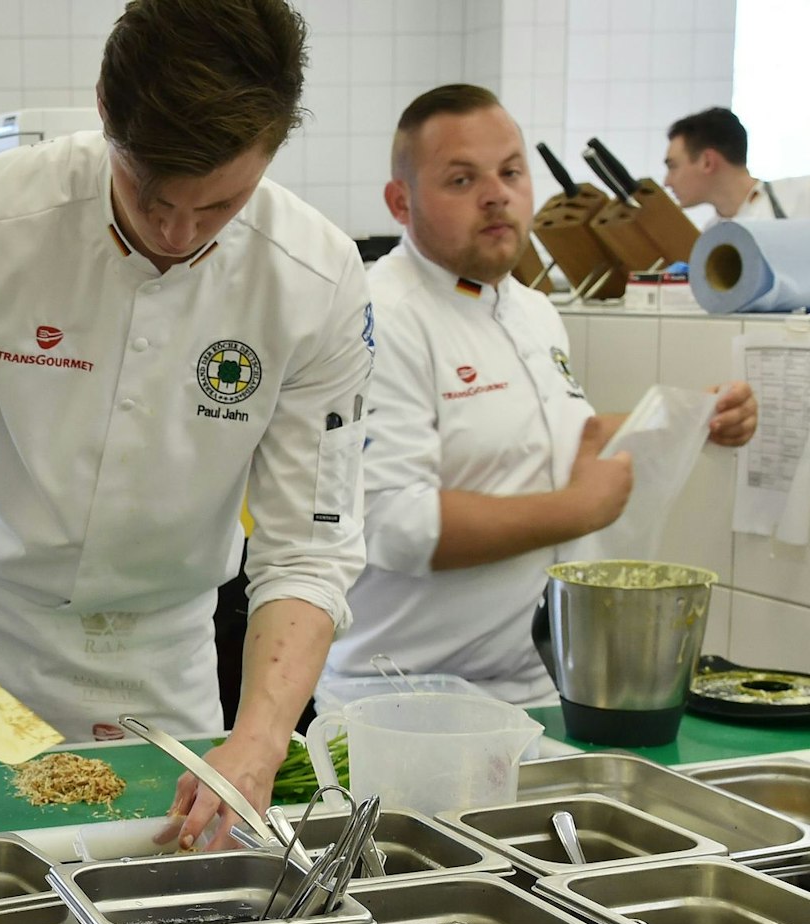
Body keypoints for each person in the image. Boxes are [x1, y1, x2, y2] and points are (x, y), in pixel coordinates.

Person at [0, 0, 374, 847]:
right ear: (106, 113)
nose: (177, 233)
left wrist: (260, 736)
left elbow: (312, 542)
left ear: (273, 148)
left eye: (219, 206)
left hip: (164, 677)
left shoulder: (316, 280)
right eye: (151, 195)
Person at [326, 86, 758, 701]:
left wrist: (694, 415)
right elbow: (398, 524)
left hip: (531, 689)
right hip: (402, 700)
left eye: (510, 172)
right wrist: (579, 510)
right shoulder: (383, 318)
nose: (496, 194)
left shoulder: (532, 310)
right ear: (401, 202)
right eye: (460, 179)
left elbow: (557, 437)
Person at [664, 106, 810, 226]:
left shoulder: (802, 197)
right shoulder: (711, 238)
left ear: (707, 162)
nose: (667, 182)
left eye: (673, 167)